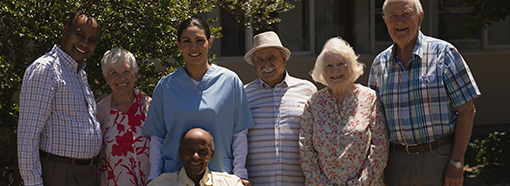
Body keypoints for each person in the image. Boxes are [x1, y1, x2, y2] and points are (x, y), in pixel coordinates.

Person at [368, 0, 481, 185]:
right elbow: (375, 120)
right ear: (385, 21)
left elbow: (467, 110)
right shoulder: (379, 64)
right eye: (393, 16)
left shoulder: (444, 53)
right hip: (395, 163)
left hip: (438, 159)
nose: (400, 21)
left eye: (406, 14)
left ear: (419, 18)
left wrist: (457, 162)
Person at [142, 17, 255, 186]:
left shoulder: (230, 82)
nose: (193, 47)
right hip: (174, 177)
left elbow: (239, 133)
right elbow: (157, 137)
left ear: (210, 42)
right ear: (179, 44)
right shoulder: (166, 86)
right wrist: (154, 175)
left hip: (221, 176)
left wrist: (240, 172)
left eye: (200, 41)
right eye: (187, 41)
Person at [17, 12, 102, 186]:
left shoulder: (80, 74)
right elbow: (28, 137)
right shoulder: (46, 69)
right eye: (79, 35)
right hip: (59, 173)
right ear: (65, 32)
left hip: (87, 173)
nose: (85, 44)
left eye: (92, 40)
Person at [299, 37, 389, 185]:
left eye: (341, 63)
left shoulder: (369, 98)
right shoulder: (313, 103)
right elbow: (306, 150)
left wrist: (359, 183)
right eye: (329, 66)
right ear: (322, 71)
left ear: (351, 66)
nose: (335, 70)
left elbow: (380, 147)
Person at [243, 31, 317, 186]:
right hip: (257, 182)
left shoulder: (308, 90)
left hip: (299, 182)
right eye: (260, 60)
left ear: (284, 59)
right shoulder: (243, 94)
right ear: (254, 64)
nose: (266, 64)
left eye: (271, 58)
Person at [96, 48, 152, 186]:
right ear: (106, 78)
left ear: (136, 74)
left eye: (126, 72)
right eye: (114, 73)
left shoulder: (150, 107)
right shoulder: (100, 112)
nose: (121, 78)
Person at [147, 128, 244, 186]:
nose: (196, 156)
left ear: (211, 154)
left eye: (202, 151)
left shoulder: (230, 183)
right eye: (189, 151)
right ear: (181, 153)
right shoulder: (160, 184)